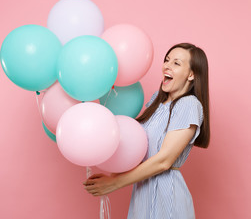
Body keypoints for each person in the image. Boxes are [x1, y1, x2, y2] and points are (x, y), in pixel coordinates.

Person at [84, 42, 210, 219]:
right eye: (167, 60)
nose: (167, 65)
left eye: (176, 63)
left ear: (191, 74)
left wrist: (114, 183)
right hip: (142, 194)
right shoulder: (155, 104)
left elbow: (163, 161)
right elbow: (140, 150)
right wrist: (110, 176)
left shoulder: (188, 105)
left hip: (168, 198)